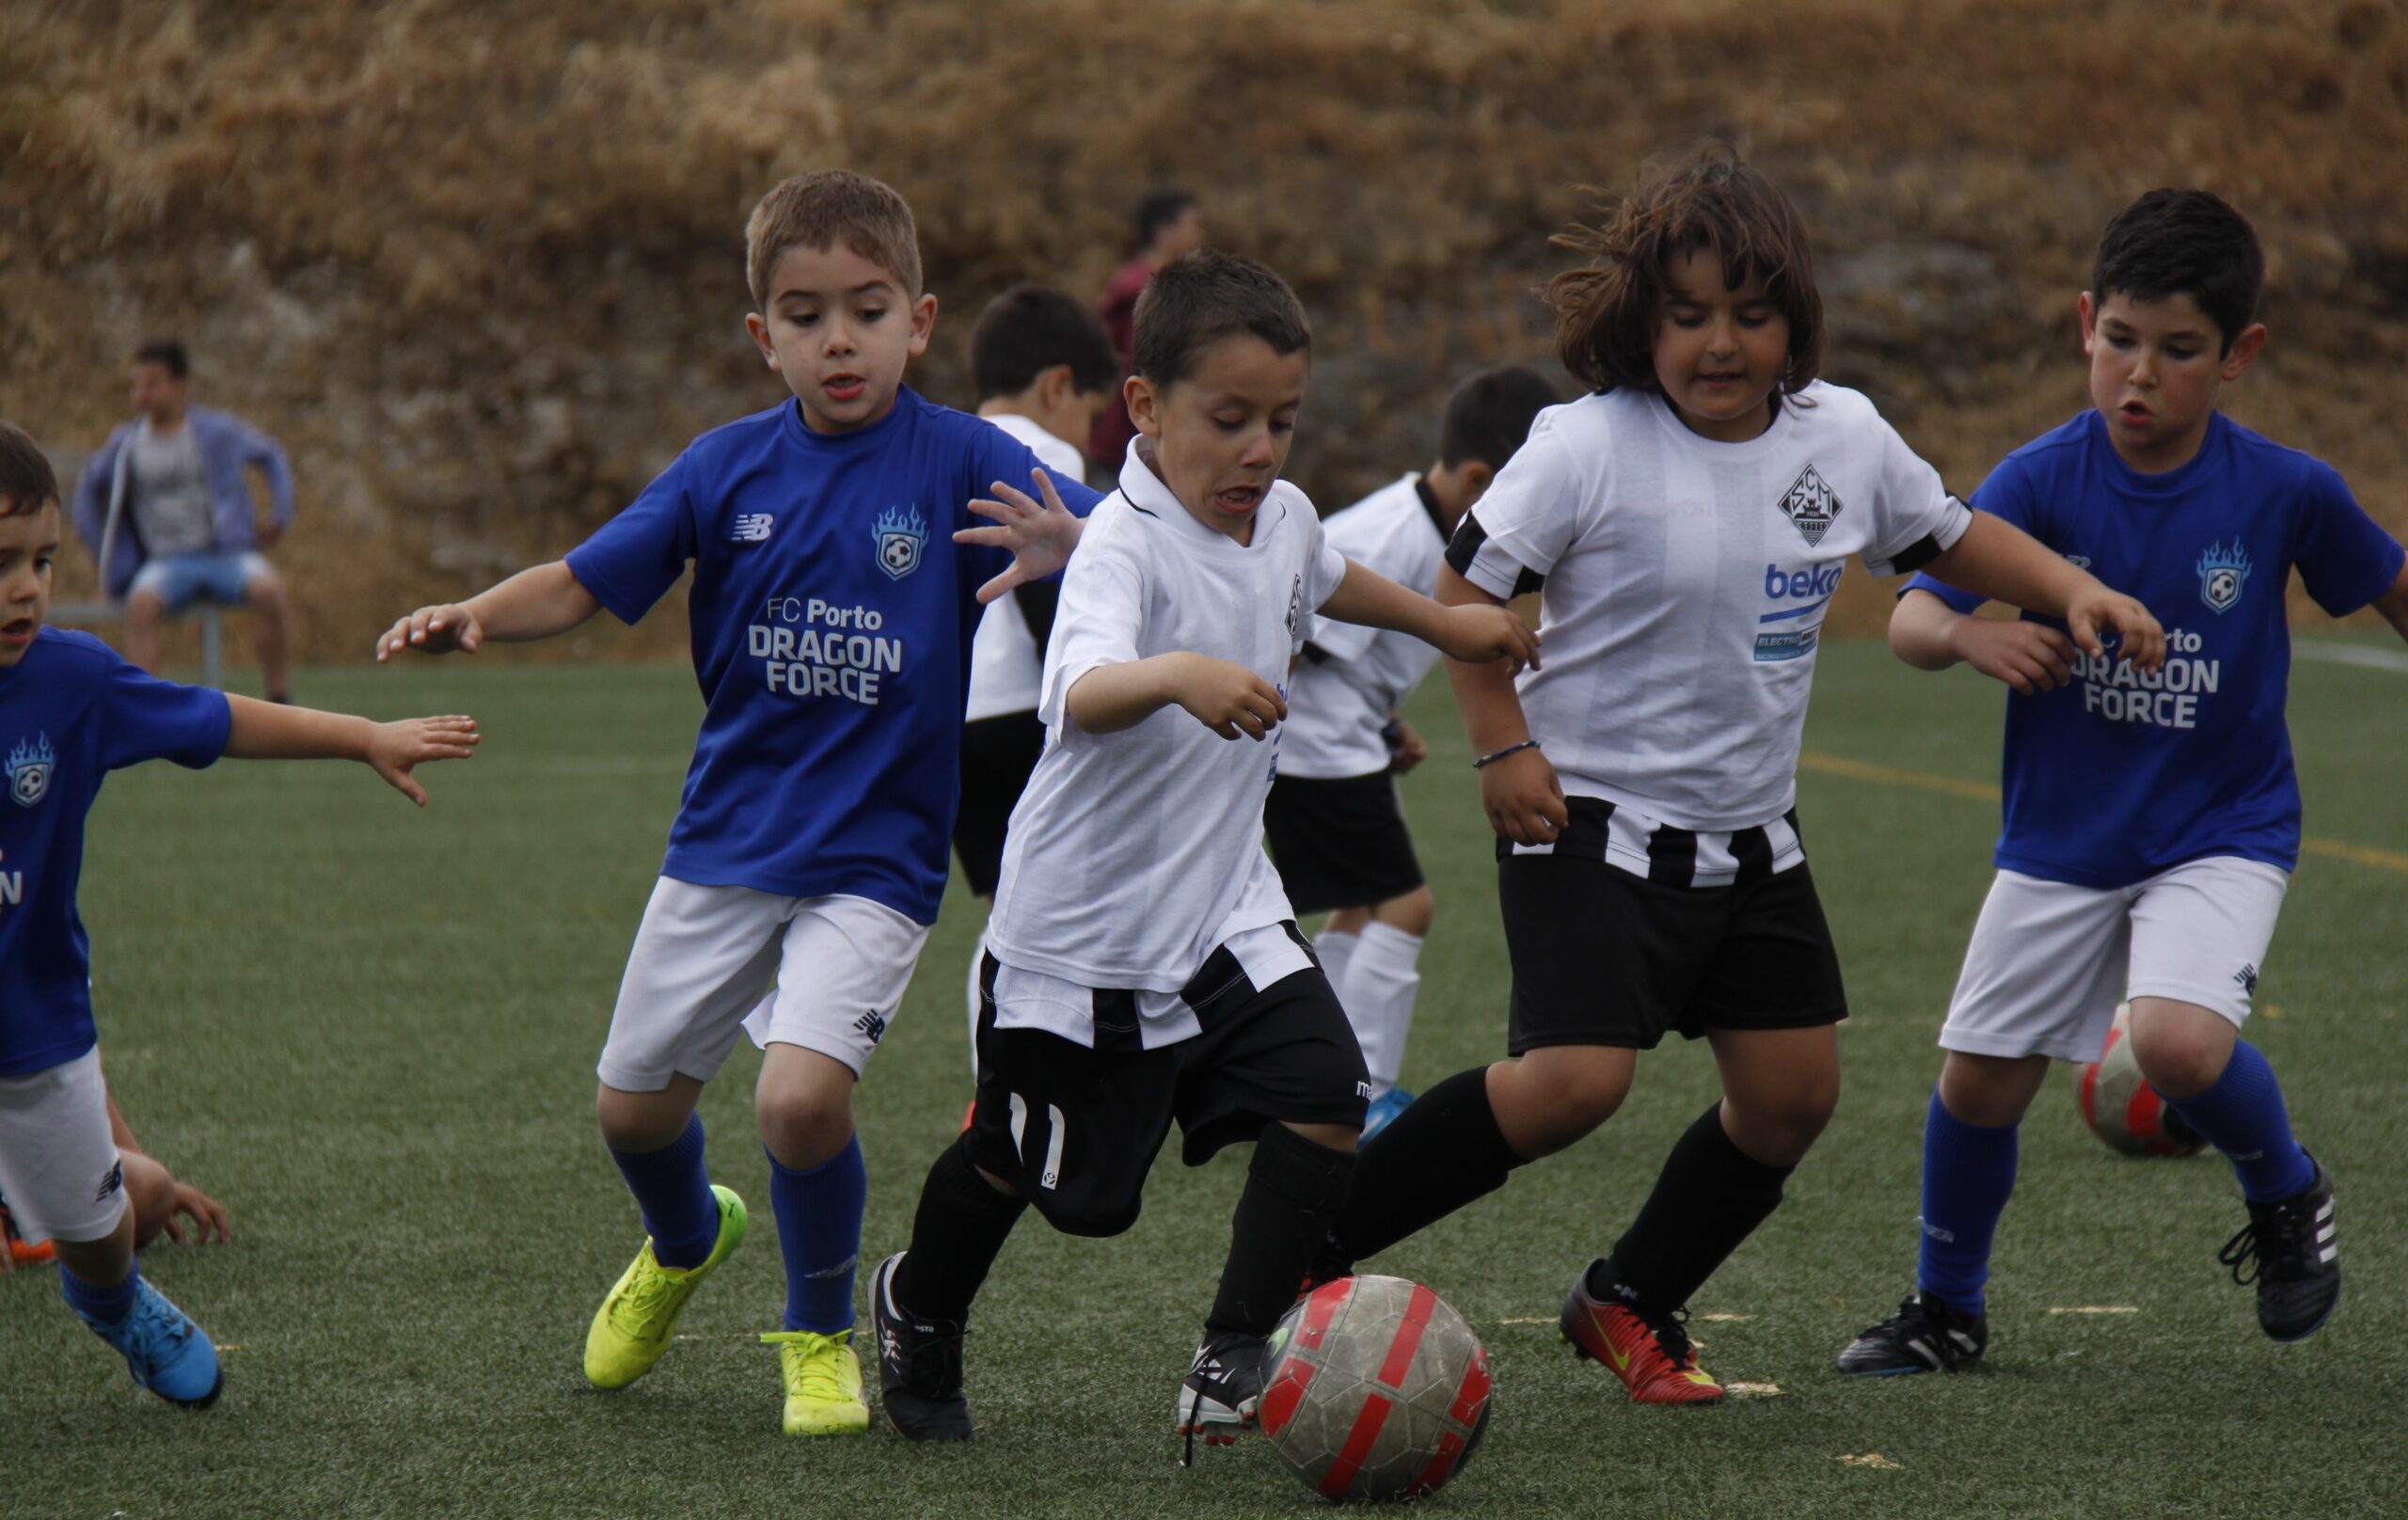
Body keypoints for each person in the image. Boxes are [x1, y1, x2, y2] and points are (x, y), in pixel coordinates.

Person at [1305, 145, 2164, 1408]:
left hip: (1752, 835)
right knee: (1572, 1086)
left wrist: (2075, 588)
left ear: (1793, 320)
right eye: (1689, 315)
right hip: (1583, 816)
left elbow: (1950, 533)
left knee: (1790, 1098)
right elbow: (1464, 588)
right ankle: (1299, 1251)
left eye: (1752, 314)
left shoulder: (1843, 437)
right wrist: (1502, 744)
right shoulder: (1584, 444)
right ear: (1640, 322)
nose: (1721, 343)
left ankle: (1628, 1296)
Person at [373, 170, 1101, 1439]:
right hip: (726, 841)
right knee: (632, 1110)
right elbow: (584, 579)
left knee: (797, 1102)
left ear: (919, 322)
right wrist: (478, 612)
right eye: (807, 316)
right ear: (765, 336)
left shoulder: (964, 457)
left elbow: (1122, 535)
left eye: (867, 310)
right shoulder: (724, 468)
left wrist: (1081, 543)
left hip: (876, 859)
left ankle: (817, 1335)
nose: (839, 340)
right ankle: (684, 1237)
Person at [864, 249, 1539, 1446]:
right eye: (1230, 420)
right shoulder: (1118, 546)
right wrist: (1179, 674)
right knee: (1031, 1170)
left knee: (1327, 1088)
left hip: (1224, 907)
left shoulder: (1280, 514)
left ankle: (1234, 1348)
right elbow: (1081, 690)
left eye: (1281, 420)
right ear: (1144, 406)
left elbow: (1327, 574)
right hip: (1081, 937)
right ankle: (917, 1299)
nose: (1260, 450)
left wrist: (1447, 621)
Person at [1836, 190, 2408, 1376]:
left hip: (2222, 827)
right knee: (1979, 1081)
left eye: (2178, 349)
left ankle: (2284, 1185)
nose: (2139, 374)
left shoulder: (2283, 489)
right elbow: (1910, 617)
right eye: (2120, 340)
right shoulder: (2042, 478)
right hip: (2063, 835)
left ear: (2239, 353)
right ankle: (1947, 1307)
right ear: (2083, 323)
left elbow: (2388, 583)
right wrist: (1973, 636)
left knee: (2177, 1045)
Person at [0, 419, 477, 1406]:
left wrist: (362, 736)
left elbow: (215, 719)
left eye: (40, 561)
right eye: (0, 563)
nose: (26, 588)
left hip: (34, 1030)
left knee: (101, 1232)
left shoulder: (72, 682)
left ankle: (115, 1303)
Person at [1266, 363, 1562, 1138]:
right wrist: (1258, 752)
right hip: (1317, 753)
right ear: (1480, 481)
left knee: (1361, 909)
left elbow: (1347, 660)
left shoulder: (1426, 527)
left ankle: (1311, 1081)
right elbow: (1289, 638)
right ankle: (1362, 1096)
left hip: (1341, 743)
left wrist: (1385, 726)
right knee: (1407, 907)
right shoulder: (1392, 535)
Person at [955, 285, 1122, 1094]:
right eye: (1091, 411)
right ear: (1059, 387)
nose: (1088, 433)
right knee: (1068, 908)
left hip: (950, 717)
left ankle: (996, 1091)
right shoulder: (1043, 457)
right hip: (1026, 715)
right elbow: (1050, 593)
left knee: (1014, 908)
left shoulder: (947, 450)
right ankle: (1038, 1083)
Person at [72, 340, 296, 700]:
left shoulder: (217, 431)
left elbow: (271, 456)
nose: (142, 393)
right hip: (167, 562)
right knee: (140, 608)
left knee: (270, 591)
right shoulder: (127, 444)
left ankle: (280, 698)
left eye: (153, 383)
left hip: (225, 555)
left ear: (181, 386)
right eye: (136, 384)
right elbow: (88, 490)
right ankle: (147, 707)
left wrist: (279, 515)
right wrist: (106, 551)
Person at [1089, 187, 1205, 469]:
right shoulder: (1144, 291)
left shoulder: (1139, 281)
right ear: (1164, 232)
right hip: (1127, 442)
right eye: (1192, 226)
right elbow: (1144, 367)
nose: (1199, 236)